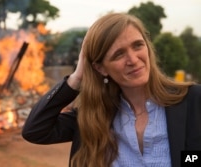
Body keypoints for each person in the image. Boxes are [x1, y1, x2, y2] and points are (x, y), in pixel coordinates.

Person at [22, 12, 201, 167]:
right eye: (119, 54)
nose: (133, 59)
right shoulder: (93, 117)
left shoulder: (192, 100)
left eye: (138, 45)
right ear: (101, 68)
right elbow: (35, 130)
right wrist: (76, 78)